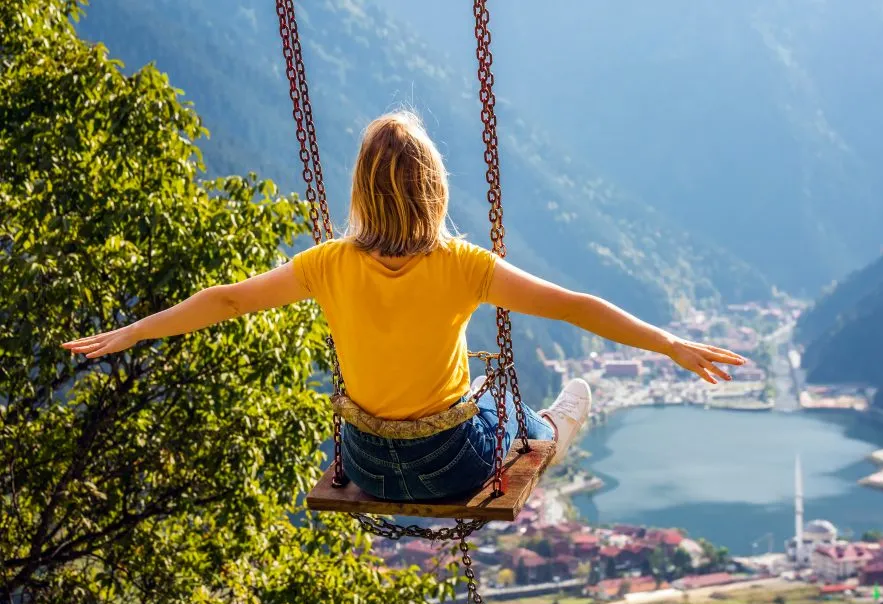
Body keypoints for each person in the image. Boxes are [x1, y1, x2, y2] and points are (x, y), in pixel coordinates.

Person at [64, 110, 746, 502]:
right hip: (452, 462)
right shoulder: (462, 266)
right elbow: (574, 305)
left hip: (362, 462)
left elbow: (228, 298)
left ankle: (539, 427)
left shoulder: (326, 264)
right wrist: (668, 344)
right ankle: (551, 432)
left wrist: (134, 331)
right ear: (435, 189)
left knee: (481, 398)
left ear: (360, 188)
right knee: (515, 402)